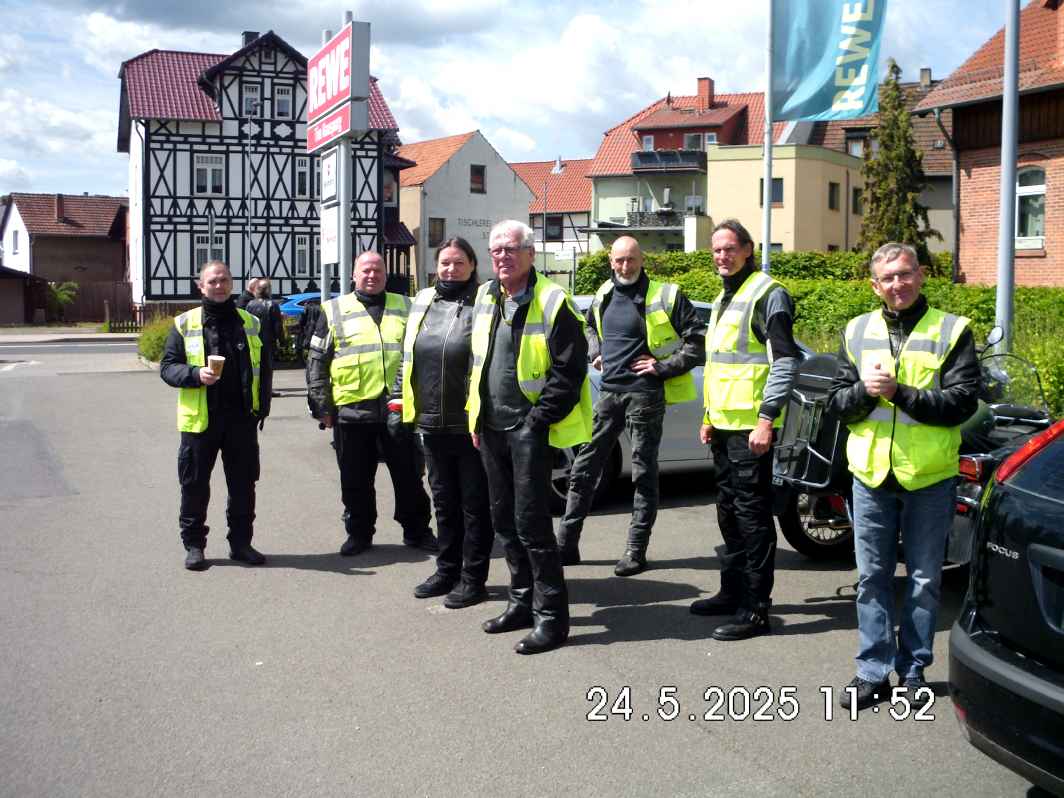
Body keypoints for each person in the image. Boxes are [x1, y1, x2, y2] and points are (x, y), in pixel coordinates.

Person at [827, 242, 978, 710]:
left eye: (905, 273)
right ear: (875, 286)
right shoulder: (856, 330)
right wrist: (865, 393)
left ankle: (913, 671)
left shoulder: (952, 330)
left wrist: (901, 394)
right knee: (871, 578)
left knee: (924, 580)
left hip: (928, 477)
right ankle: (872, 671)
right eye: (888, 278)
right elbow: (836, 403)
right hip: (871, 476)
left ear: (921, 275)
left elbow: (962, 403)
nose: (898, 284)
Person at [467, 220, 592, 655]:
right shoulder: (487, 296)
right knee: (504, 522)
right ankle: (520, 603)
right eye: (496, 250)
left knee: (533, 526)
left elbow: (570, 371)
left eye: (511, 249)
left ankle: (552, 619)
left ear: (530, 253)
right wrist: (476, 418)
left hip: (528, 430)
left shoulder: (554, 300)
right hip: (491, 428)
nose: (503, 256)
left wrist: (536, 423)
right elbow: (479, 362)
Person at [557, 235, 704, 575]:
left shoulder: (665, 295)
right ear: (611, 261)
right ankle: (566, 546)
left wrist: (662, 367)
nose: (625, 266)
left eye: (631, 259)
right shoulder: (604, 293)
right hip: (609, 393)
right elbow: (588, 326)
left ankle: (635, 551)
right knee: (584, 468)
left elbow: (697, 343)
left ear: (642, 260)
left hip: (645, 395)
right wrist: (596, 351)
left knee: (643, 474)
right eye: (619, 260)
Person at [690, 219, 800, 641]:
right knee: (728, 512)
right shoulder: (724, 296)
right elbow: (719, 366)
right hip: (723, 426)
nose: (722, 256)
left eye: (730, 249)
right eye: (716, 250)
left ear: (748, 249)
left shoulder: (768, 294)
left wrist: (767, 419)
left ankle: (756, 609)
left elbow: (785, 361)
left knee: (753, 518)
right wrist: (708, 416)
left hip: (751, 430)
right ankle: (732, 592)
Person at [306, 250, 437, 556]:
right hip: (352, 410)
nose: (372, 275)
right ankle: (359, 533)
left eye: (377, 270)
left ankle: (417, 531)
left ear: (385, 274)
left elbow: (425, 352)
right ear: (354, 275)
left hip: (399, 409)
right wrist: (322, 406)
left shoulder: (407, 306)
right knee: (355, 480)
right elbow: (317, 361)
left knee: (409, 476)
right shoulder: (334, 310)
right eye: (365, 270)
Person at [394, 237, 495, 609]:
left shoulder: (485, 302)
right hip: (431, 423)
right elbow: (407, 357)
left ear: (472, 265)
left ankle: (474, 578)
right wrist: (398, 403)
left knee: (474, 506)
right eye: (445, 263)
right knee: (444, 503)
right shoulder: (423, 300)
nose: (451, 269)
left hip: (470, 425)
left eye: (458, 263)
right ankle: (447, 570)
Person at [160, 261, 272, 570]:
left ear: (232, 283)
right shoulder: (184, 323)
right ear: (201, 286)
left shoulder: (250, 322)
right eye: (212, 281)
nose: (219, 286)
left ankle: (241, 544)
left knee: (243, 486)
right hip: (201, 422)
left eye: (224, 280)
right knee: (194, 486)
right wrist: (196, 374)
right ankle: (194, 546)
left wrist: (262, 409)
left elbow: (264, 368)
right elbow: (168, 367)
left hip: (241, 420)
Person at [246, 277, 285, 363]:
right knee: (267, 367)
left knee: (254, 365)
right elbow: (278, 325)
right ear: (268, 290)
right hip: (268, 343)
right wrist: (282, 342)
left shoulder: (250, 304)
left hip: (253, 342)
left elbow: (247, 324)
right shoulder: (273, 305)